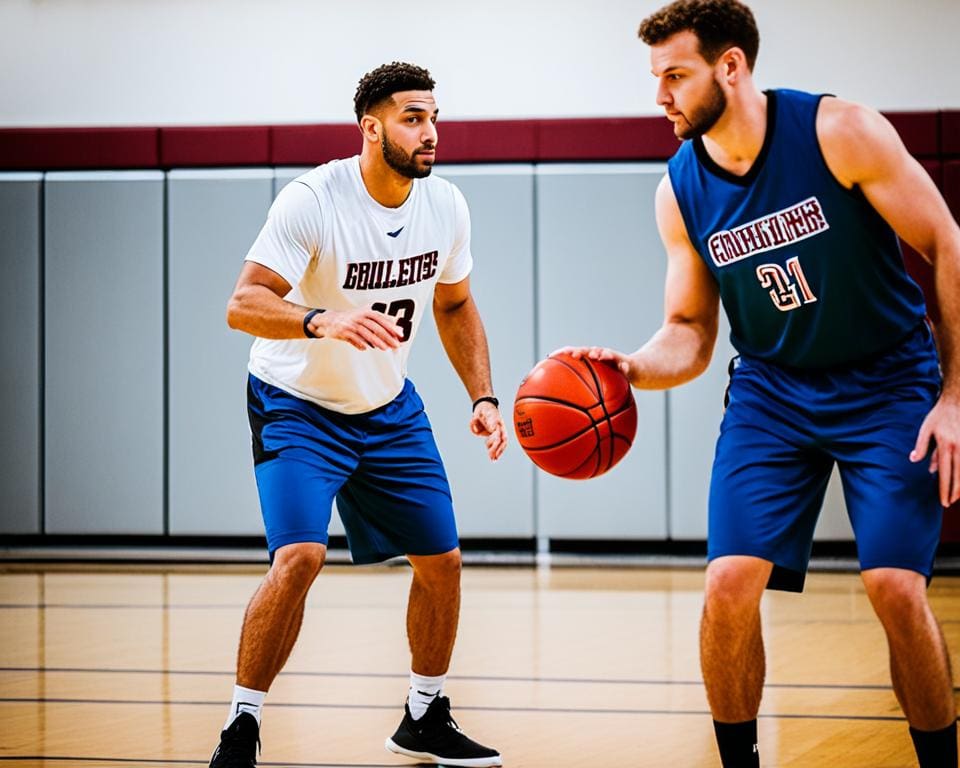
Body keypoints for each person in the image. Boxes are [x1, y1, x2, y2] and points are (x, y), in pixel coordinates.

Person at [562, 1, 960, 765]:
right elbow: (691, 330)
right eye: (657, 79)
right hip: (773, 392)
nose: (660, 98)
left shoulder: (839, 132)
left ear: (731, 66)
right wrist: (635, 367)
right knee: (728, 585)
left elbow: (944, 244)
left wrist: (953, 396)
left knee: (894, 589)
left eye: (675, 76)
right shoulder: (679, 189)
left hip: (888, 382)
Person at [208, 61, 506, 768]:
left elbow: (456, 305)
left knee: (444, 562)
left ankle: (424, 713)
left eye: (434, 116)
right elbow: (241, 304)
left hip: (386, 409)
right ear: (370, 128)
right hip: (297, 405)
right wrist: (319, 319)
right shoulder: (314, 198)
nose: (430, 131)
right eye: (413, 118)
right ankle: (241, 725)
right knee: (301, 557)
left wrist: (484, 397)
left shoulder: (447, 207)